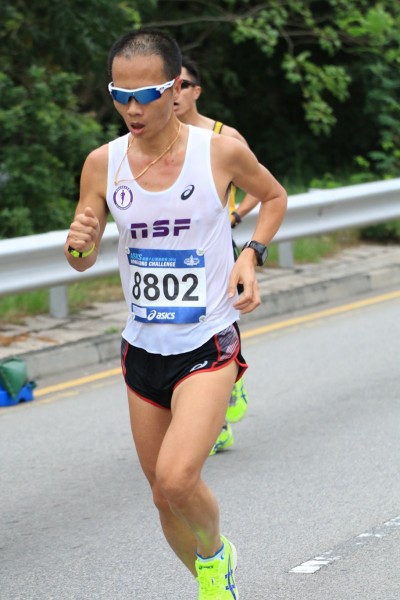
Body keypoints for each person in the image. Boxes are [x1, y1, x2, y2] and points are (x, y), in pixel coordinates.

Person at [64, 28, 287, 600]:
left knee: (178, 476)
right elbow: (81, 256)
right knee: (162, 496)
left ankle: (217, 553)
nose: (132, 109)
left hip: (206, 339)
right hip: (142, 346)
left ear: (175, 88)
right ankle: (212, 582)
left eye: (146, 95)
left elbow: (274, 196)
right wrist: (79, 244)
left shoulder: (219, 151)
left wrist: (250, 254)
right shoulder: (102, 164)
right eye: (119, 95)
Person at [174, 56, 260, 455]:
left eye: (183, 85)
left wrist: (235, 216)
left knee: (218, 325)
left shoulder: (225, 137)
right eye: (170, 85)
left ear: (196, 91)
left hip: (219, 251)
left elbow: (261, 186)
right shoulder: (156, 138)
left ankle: (225, 398)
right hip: (176, 256)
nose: (175, 93)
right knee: (184, 330)